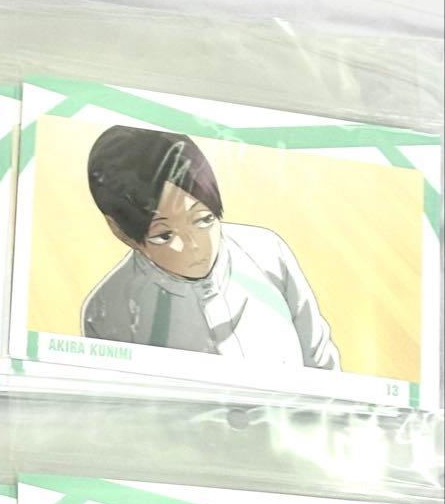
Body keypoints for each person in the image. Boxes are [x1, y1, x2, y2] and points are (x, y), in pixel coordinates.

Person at [82, 125, 341, 370]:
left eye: (204, 219)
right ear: (121, 232)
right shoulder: (106, 310)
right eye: (165, 235)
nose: (194, 245)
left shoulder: (266, 252)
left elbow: (318, 356)